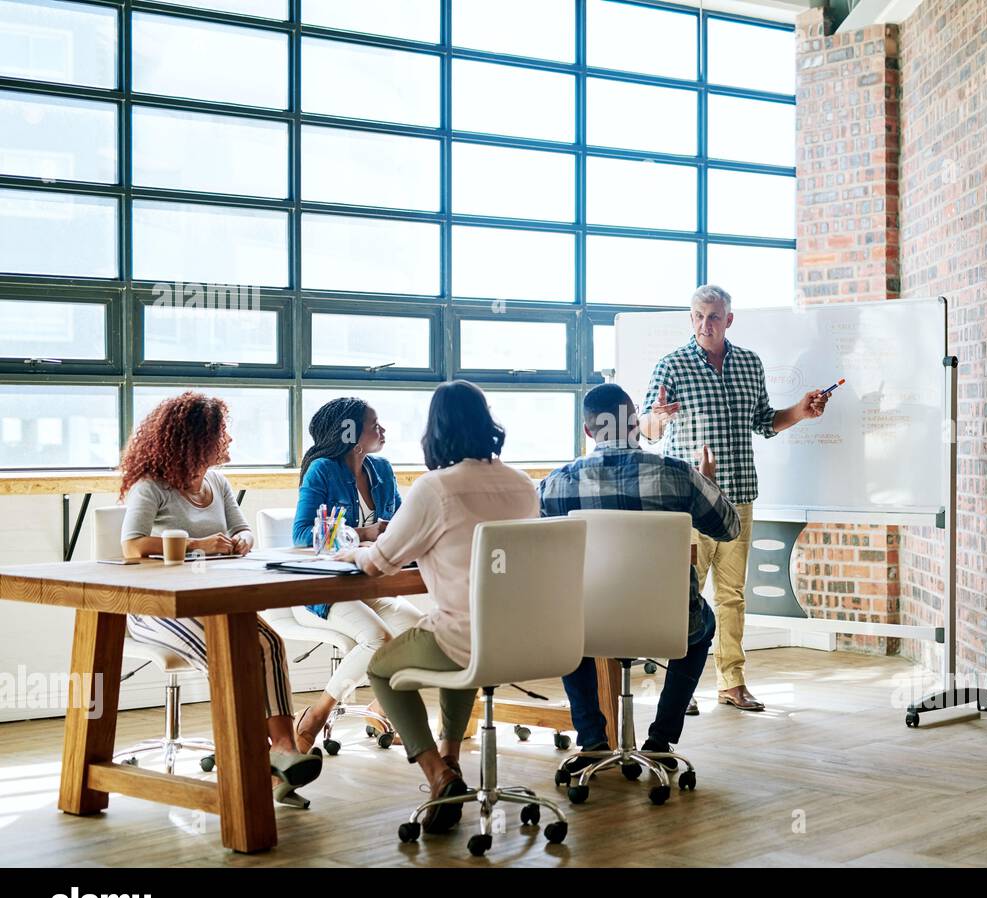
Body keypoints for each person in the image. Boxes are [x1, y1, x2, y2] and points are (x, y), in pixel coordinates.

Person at [336, 381, 539, 832]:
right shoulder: (524, 484)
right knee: (459, 643)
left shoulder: (435, 488)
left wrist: (351, 551)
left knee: (382, 668)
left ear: (437, 431)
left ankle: (436, 771)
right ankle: (451, 764)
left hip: (464, 637)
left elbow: (380, 563)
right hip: (531, 639)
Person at [118, 391, 322, 808]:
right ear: (195, 439)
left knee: (268, 643)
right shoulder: (151, 486)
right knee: (229, 655)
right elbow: (132, 546)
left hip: (212, 600)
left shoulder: (218, 483)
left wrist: (241, 541)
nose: (227, 441)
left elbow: (243, 528)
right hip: (155, 607)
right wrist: (201, 544)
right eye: (219, 434)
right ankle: (247, 758)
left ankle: (282, 749)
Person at [641, 284, 831, 711]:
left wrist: (800, 411)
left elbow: (765, 422)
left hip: (739, 495)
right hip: (689, 501)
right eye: (697, 316)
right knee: (682, 596)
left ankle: (732, 682)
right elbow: (649, 433)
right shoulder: (670, 366)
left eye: (713, 317)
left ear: (728, 319)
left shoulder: (748, 363)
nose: (705, 324)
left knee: (732, 596)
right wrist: (655, 419)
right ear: (690, 319)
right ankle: (681, 687)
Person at [539, 383, 739, 767]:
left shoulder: (556, 484)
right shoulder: (679, 476)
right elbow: (729, 528)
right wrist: (708, 482)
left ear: (588, 431)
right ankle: (660, 740)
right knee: (702, 625)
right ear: (635, 424)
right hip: (669, 626)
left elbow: (532, 547)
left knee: (564, 622)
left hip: (588, 628)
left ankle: (593, 738)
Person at [287, 397, 422, 751]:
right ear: (350, 433)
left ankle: (380, 707)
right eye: (373, 425)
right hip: (322, 591)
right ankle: (314, 717)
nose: (382, 431)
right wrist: (364, 534)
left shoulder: (382, 470)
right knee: (377, 637)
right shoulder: (323, 471)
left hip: (371, 586)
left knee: (424, 632)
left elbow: (400, 526)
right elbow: (302, 535)